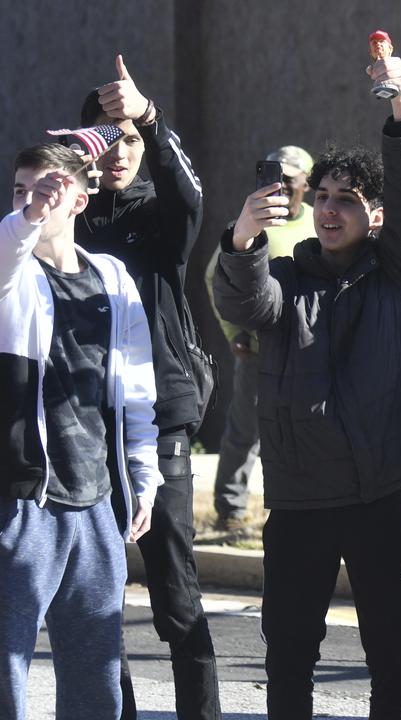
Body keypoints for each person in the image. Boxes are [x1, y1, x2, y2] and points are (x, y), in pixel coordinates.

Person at [214, 54, 401, 718]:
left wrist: (400, 105)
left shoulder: (398, 271)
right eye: (321, 197)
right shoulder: (285, 276)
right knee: (289, 659)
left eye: (346, 199)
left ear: (376, 216)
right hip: (299, 501)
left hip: (380, 497)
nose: (328, 209)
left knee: (393, 659)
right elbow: (244, 304)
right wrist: (242, 238)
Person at [74, 54, 219, 719]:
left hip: (159, 427)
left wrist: (150, 118)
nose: (119, 150)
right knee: (98, 595)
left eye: (129, 138)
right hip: (82, 431)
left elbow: (189, 191)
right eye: (108, 136)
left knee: (176, 592)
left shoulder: (160, 217)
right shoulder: (66, 227)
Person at [1, 143, 161, 718]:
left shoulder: (112, 277)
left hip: (95, 503)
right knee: (6, 668)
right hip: (21, 505)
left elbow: (136, 389)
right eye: (19, 190)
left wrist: (143, 478)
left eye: (44, 189)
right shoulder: (11, 274)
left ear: (80, 200)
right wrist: (27, 218)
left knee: (96, 677)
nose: (30, 199)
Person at [204, 145, 314, 531]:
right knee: (246, 429)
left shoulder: (321, 223)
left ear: (307, 184)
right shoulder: (252, 224)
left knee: (305, 430)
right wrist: (233, 332)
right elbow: (215, 275)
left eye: (289, 180)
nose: (281, 187)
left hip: (309, 351)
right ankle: (230, 510)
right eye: (274, 178)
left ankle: (300, 507)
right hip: (258, 349)